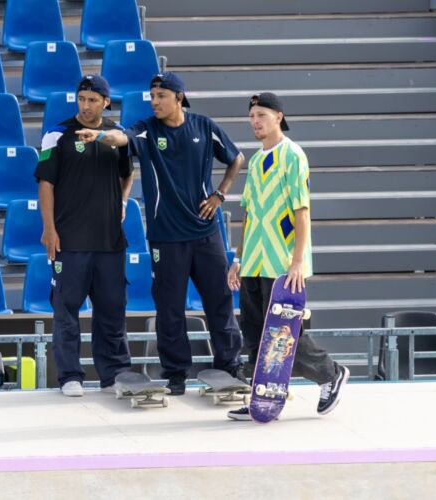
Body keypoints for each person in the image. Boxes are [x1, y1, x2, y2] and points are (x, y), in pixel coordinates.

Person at [76, 72, 244, 395]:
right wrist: (99, 137)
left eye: (160, 96)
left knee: (220, 301)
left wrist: (220, 193)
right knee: (169, 308)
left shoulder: (204, 127)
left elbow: (236, 157)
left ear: (179, 97)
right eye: (152, 96)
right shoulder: (146, 130)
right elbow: (122, 138)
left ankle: (230, 364)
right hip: (165, 237)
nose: (154, 101)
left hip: (207, 233)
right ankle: (176, 372)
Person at [225, 92, 349, 421]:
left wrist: (297, 262)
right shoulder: (255, 159)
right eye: (251, 116)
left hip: (281, 263)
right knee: (253, 331)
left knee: (283, 333)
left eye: (261, 115)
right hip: (253, 260)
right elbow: (249, 213)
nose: (255, 121)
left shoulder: (293, 155)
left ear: (278, 116)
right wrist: (237, 258)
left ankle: (331, 373)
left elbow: (302, 211)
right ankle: (260, 396)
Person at [35, 75, 133, 397]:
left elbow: (127, 173)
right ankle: (69, 375)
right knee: (66, 310)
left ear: (106, 101)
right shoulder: (56, 135)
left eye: (93, 100)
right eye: (82, 99)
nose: (86, 105)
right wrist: (49, 229)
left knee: (112, 311)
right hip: (70, 241)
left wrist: (120, 201)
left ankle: (114, 373)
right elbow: (45, 184)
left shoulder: (116, 136)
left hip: (109, 242)